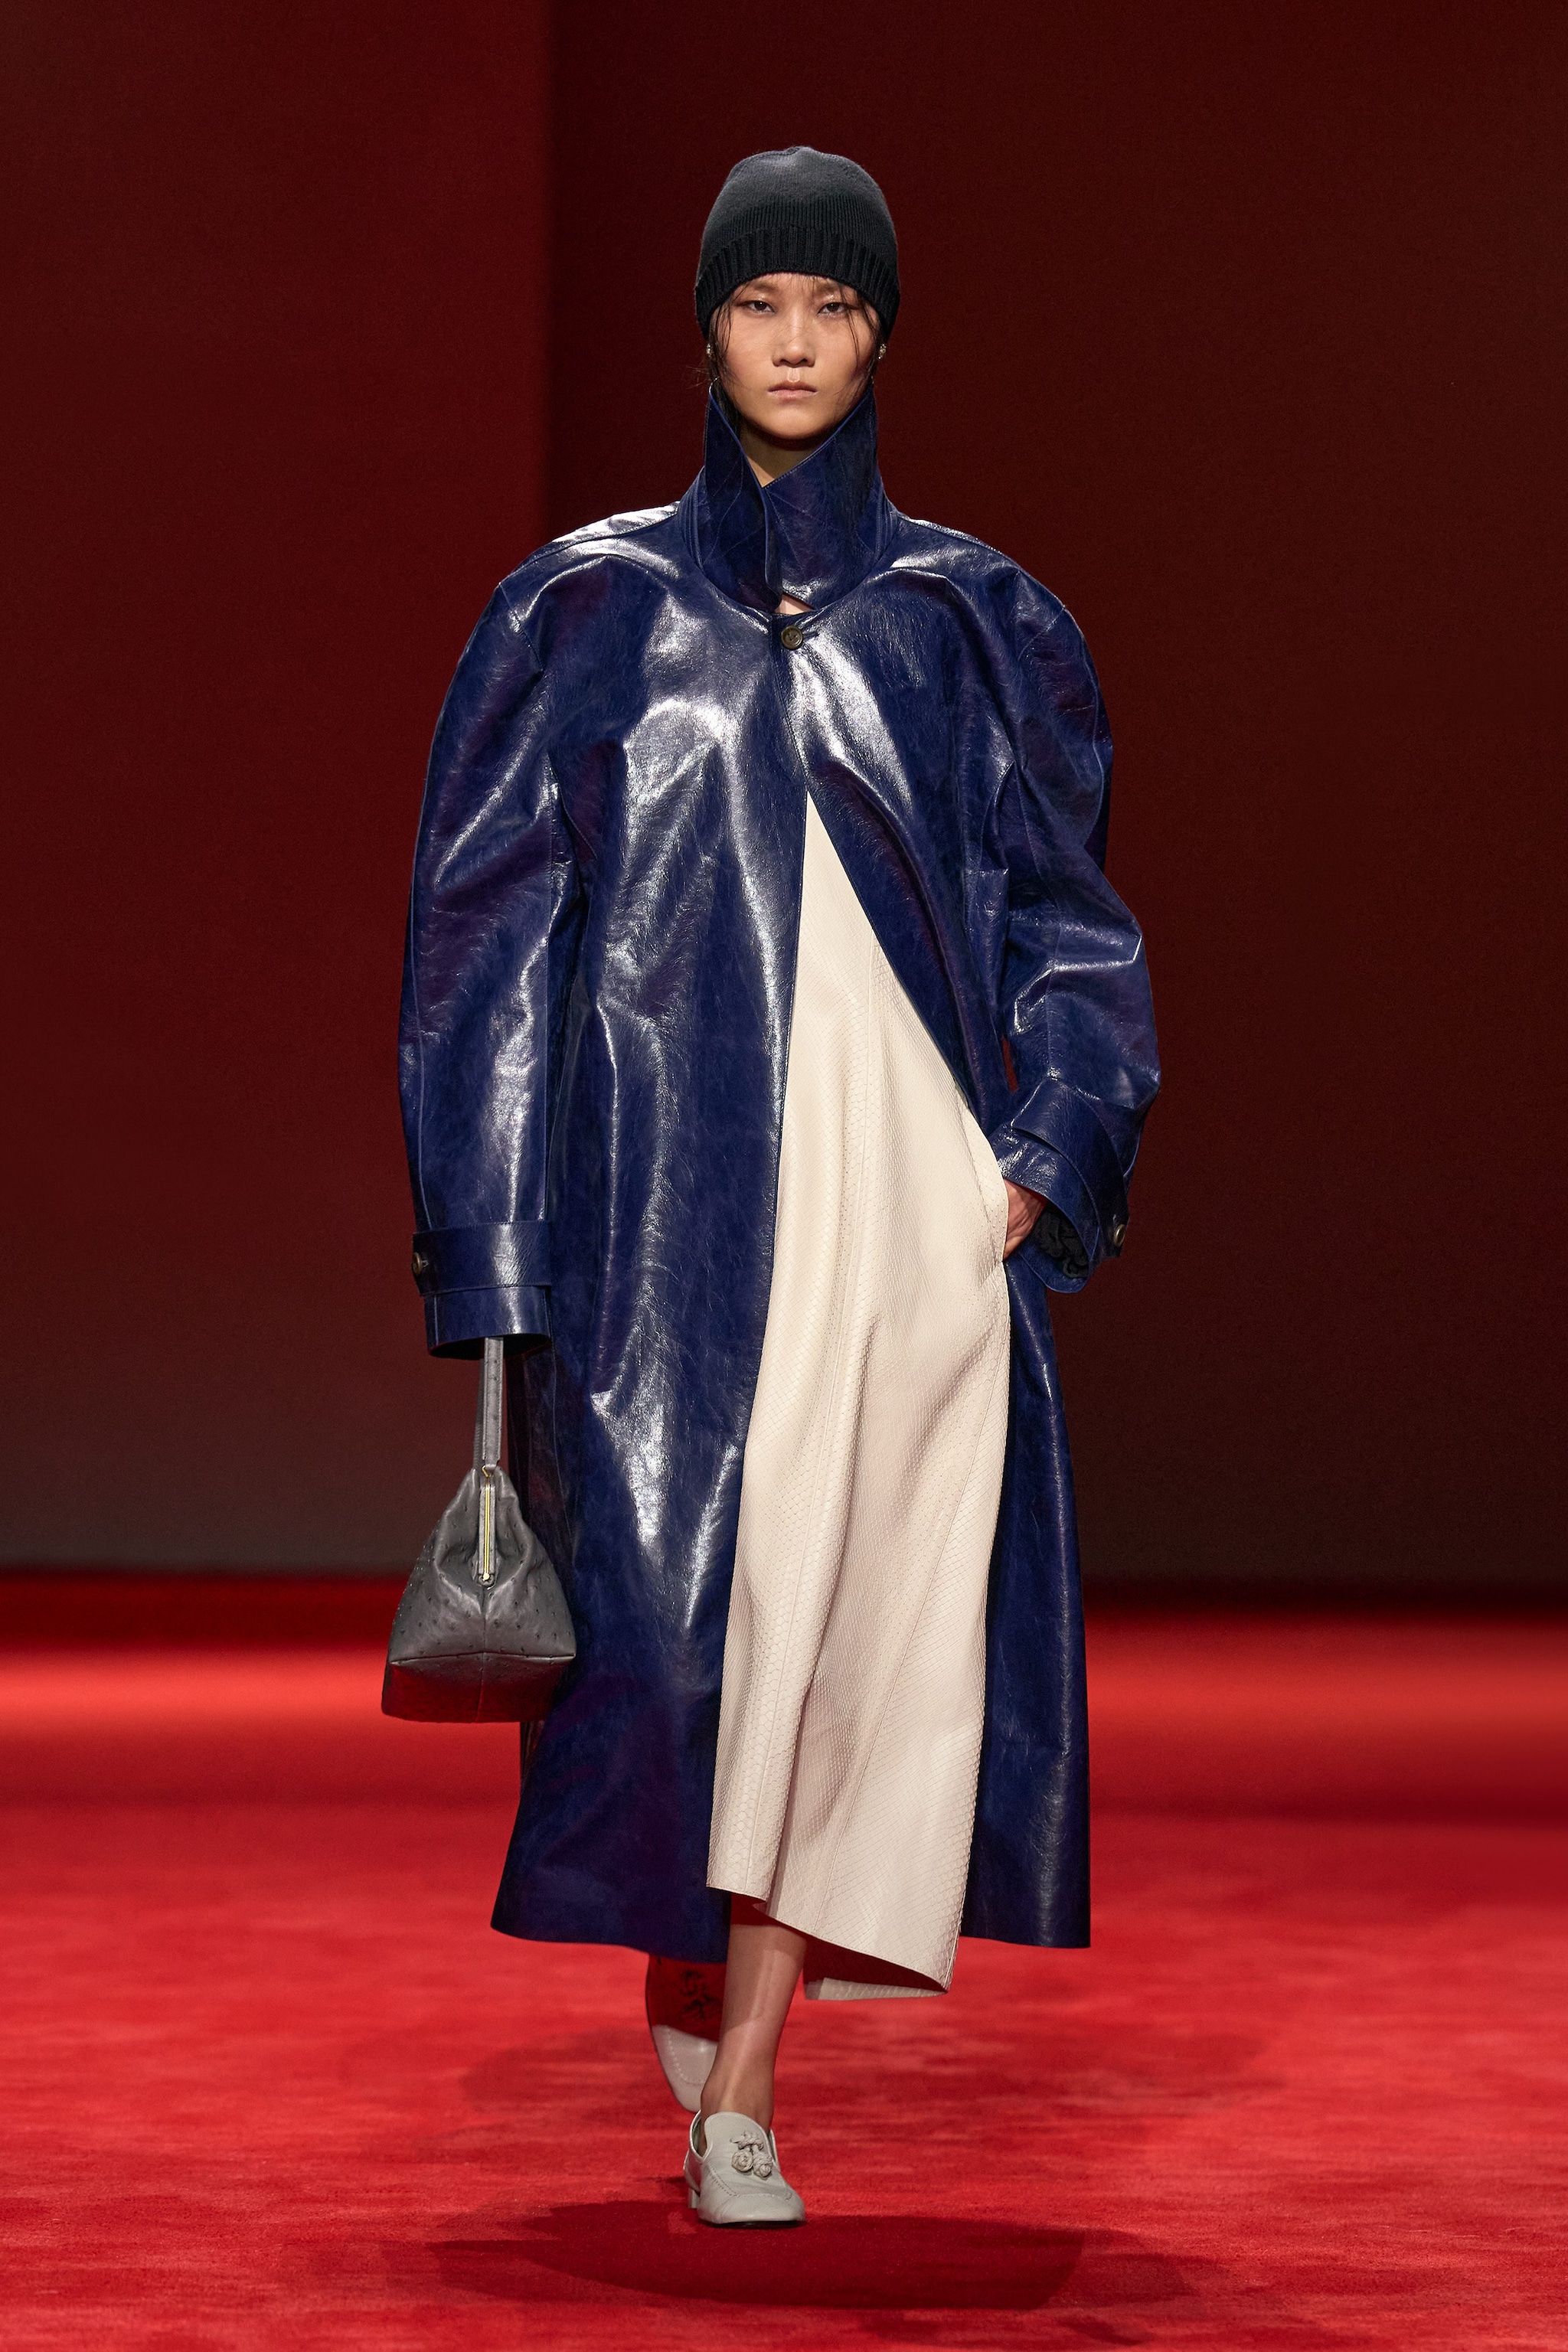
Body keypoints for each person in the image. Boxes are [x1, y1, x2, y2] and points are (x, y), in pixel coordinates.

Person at [400, 146, 1158, 2226]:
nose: (798, 340)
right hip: (658, 1219)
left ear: (882, 335)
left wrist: (1037, 1167)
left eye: (835, 305)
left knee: (846, 1622)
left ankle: (742, 2085)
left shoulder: (976, 621)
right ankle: (694, 1935)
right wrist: (493, 1245)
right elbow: (485, 950)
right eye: (762, 303)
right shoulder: (580, 613)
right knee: (679, 1650)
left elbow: (1074, 927)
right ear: (709, 331)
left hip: (909, 1204)